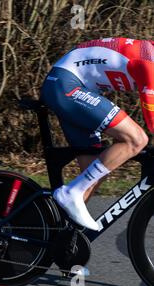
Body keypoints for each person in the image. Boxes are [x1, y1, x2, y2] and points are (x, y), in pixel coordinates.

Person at [40, 37, 154, 230]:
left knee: (90, 179)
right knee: (136, 139)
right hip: (66, 85)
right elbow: (151, 119)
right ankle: (70, 194)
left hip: (70, 87)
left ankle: (57, 238)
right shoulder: (148, 61)